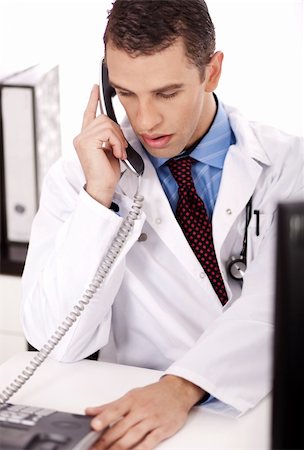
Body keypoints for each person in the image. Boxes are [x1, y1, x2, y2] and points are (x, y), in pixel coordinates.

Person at [21, 0, 304, 449]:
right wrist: (99, 199)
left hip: (255, 411)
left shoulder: (289, 165)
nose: (145, 120)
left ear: (212, 72)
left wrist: (180, 387)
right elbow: (56, 342)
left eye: (166, 93)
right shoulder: (81, 176)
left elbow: (278, 311)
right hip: (131, 412)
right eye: (125, 94)